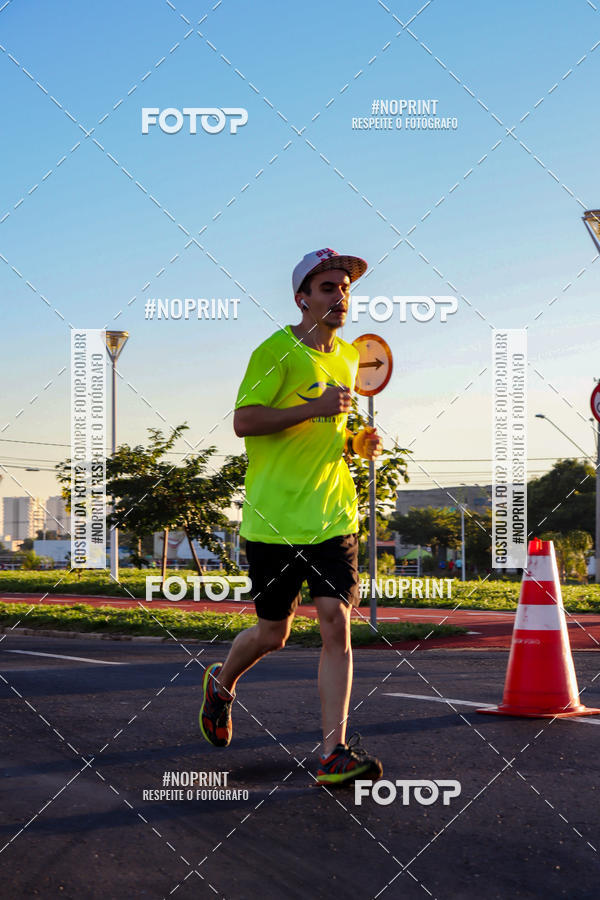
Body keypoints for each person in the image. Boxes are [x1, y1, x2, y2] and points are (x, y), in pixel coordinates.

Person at [199, 248, 384, 786]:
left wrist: (355, 443)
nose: (340, 296)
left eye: (344, 287)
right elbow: (244, 421)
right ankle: (221, 686)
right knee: (272, 633)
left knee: (335, 623)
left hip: (332, 515)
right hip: (275, 519)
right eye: (328, 287)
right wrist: (313, 408)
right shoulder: (275, 351)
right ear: (302, 298)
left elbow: (330, 434)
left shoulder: (348, 356)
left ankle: (333, 754)